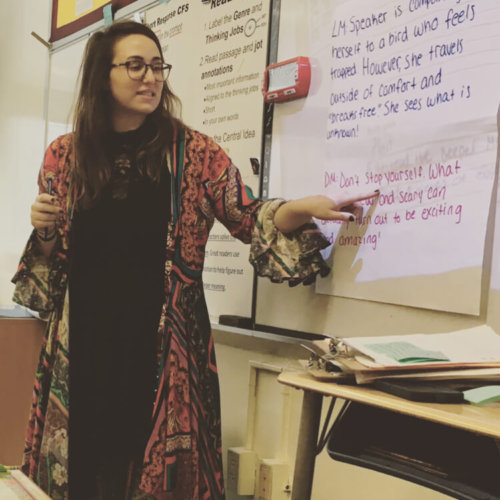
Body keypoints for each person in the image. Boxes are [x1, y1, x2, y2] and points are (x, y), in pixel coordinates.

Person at [12, 20, 378, 500]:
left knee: (154, 470)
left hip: (166, 347)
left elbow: (249, 215)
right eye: (135, 66)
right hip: (82, 343)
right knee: (85, 468)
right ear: (104, 76)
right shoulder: (65, 156)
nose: (151, 77)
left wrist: (302, 207)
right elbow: (51, 263)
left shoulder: (195, 153)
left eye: (158, 66)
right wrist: (42, 228)